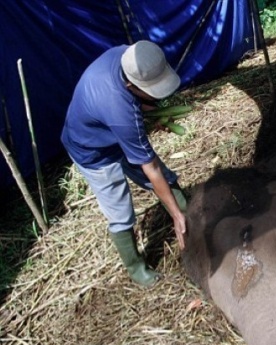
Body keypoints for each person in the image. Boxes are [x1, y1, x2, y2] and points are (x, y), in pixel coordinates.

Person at [61, 40, 187, 287]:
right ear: (131, 85)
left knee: (165, 177)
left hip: (109, 126)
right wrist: (174, 215)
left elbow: (134, 105)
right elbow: (150, 168)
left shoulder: (131, 57)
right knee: (120, 211)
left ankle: (188, 215)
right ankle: (136, 268)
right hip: (93, 151)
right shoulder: (120, 112)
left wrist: (149, 114)